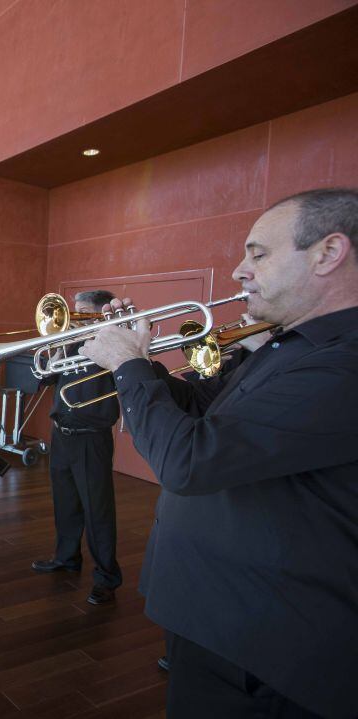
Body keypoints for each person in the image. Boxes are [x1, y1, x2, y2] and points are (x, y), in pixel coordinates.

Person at [79, 188, 358, 719]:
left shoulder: (342, 362)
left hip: (265, 644)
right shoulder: (288, 345)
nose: (238, 271)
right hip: (215, 612)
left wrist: (128, 367)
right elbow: (203, 408)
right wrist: (137, 357)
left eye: (259, 254)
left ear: (328, 253)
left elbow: (188, 463)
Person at [31, 290, 123, 606]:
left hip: (91, 437)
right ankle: (67, 557)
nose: (74, 318)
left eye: (82, 312)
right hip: (62, 434)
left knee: (97, 510)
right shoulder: (70, 342)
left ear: (100, 312)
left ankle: (107, 577)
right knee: (65, 502)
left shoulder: (112, 345)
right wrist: (57, 349)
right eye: (74, 312)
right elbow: (44, 379)